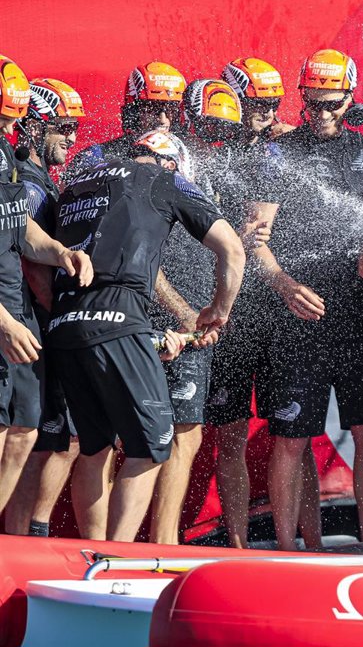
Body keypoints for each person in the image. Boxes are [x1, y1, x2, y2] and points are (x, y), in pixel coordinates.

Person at [45, 130, 243, 541]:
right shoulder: (163, 178)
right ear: (171, 162)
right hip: (118, 316)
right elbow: (233, 250)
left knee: (95, 446)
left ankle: (93, 555)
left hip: (64, 322)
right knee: (154, 444)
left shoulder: (82, 179)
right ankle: (119, 558)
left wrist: (146, 338)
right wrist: (218, 312)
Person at [256, 48, 363, 548]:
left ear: (351, 97)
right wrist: (284, 285)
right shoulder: (279, 153)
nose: (322, 114)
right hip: (297, 316)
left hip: (356, 315)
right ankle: (288, 550)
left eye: (332, 104)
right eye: (312, 103)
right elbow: (256, 239)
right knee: (291, 439)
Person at [209, 55, 313, 549]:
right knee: (229, 435)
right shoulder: (208, 148)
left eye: (275, 103)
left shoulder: (287, 143)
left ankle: (305, 546)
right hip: (230, 306)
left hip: (278, 312)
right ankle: (237, 545)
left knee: (297, 433)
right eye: (258, 105)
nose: (269, 113)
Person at [145, 79, 244, 544]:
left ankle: (164, 545)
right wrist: (183, 310)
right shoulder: (163, 164)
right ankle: (114, 546)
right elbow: (141, 254)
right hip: (153, 314)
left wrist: (209, 312)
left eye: (226, 131)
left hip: (196, 320)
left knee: (187, 433)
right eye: (208, 128)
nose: (216, 140)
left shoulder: (221, 173)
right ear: (185, 120)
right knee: (129, 435)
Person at [0, 57, 94, 524]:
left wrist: (61, 256)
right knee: (26, 434)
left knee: (31, 432)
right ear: (36, 126)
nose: (72, 138)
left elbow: (32, 240)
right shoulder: (26, 177)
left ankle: (17, 541)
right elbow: (33, 271)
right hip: (19, 321)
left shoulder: (23, 172)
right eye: (62, 127)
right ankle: (21, 536)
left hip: (26, 319)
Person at [64, 62, 186, 177]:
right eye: (153, 108)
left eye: (171, 110)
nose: (163, 120)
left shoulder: (188, 155)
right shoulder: (97, 156)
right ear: (133, 112)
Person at [222, 57, 295, 142]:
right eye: (261, 104)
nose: (269, 114)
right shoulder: (216, 141)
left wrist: (297, 136)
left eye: (275, 104)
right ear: (235, 101)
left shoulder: (284, 138)